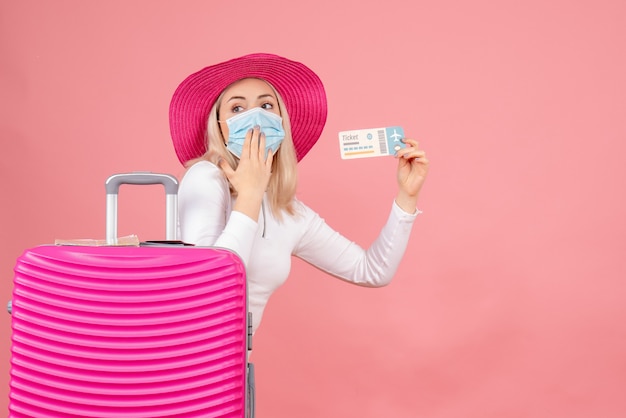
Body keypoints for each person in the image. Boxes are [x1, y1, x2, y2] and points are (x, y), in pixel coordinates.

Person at [169, 53, 429, 335]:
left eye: (266, 105)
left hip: (231, 367)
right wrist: (250, 194)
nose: (254, 117)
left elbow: (372, 271)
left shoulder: (288, 211)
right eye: (236, 108)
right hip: (182, 362)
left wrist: (407, 196)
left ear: (281, 120)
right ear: (219, 125)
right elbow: (210, 286)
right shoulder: (205, 178)